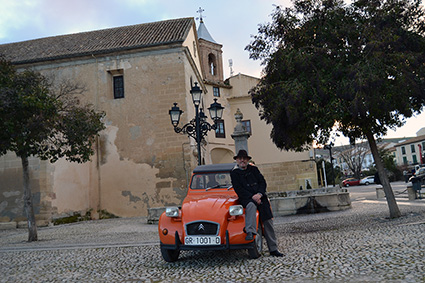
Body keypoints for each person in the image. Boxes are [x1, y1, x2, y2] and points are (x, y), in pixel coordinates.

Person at [230, 149, 283, 257]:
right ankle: (250, 231)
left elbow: (262, 182)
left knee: (268, 221)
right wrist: (253, 197)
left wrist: (259, 194)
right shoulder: (234, 173)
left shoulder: (254, 169)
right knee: (250, 206)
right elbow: (239, 189)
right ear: (237, 160)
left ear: (247, 160)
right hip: (247, 198)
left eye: (244, 158)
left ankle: (273, 248)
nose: (242, 161)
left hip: (260, 197)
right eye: (240, 159)